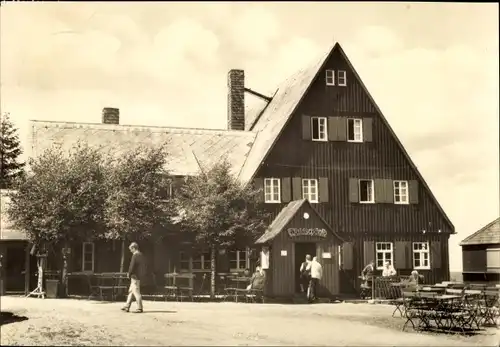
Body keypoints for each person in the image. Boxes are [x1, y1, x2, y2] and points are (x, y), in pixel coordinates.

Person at [121, 242, 147, 313]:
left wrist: (129, 273)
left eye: (131, 249)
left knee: (136, 292)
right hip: (139, 276)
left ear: (133, 248)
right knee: (131, 291)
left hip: (134, 276)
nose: (130, 251)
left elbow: (132, 266)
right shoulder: (141, 255)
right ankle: (127, 306)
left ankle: (140, 308)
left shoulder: (135, 255)